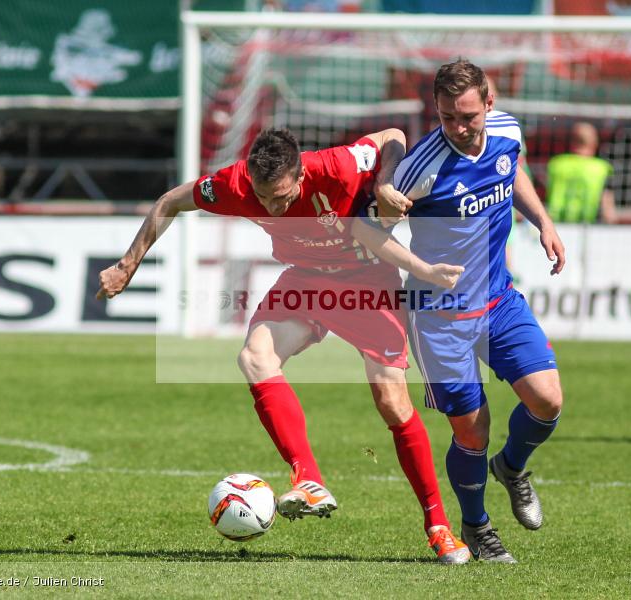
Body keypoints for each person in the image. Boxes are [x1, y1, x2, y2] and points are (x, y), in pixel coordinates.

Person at [97, 127, 471, 563]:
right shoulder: (235, 185)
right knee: (255, 356)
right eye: (263, 197)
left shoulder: (338, 166)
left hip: (369, 286)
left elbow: (393, 134)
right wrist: (127, 265)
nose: (272, 207)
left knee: (392, 401)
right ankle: (308, 479)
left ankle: (439, 527)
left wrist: (385, 182)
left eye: (282, 197)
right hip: (306, 283)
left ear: (299, 174)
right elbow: (169, 202)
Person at [353, 59, 566, 563]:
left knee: (548, 402)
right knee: (473, 429)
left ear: (488, 104)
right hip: (438, 317)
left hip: (497, 299)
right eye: (448, 117)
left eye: (468, 116)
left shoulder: (507, 131)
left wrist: (542, 220)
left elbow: (512, 173)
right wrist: (421, 269)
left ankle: (511, 468)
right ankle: (477, 526)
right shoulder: (417, 171)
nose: (459, 127)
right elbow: (367, 233)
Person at [545, 121, 617, 224]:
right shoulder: (602, 169)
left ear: (572, 141)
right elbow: (608, 212)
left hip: (556, 226)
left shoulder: (555, 164)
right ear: (594, 142)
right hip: (588, 228)